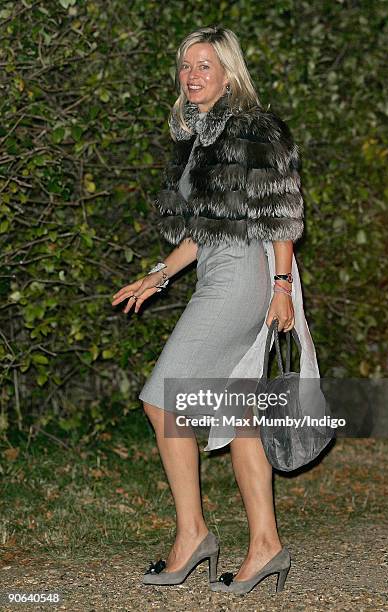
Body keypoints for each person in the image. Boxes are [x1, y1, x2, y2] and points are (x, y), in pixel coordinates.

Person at [112, 25, 305, 595]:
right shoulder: (198, 138)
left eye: (204, 66)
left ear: (228, 72)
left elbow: (283, 214)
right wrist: (159, 273)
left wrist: (280, 287)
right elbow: (202, 234)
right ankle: (266, 544)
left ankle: (193, 533)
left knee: (160, 400)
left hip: (246, 275)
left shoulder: (255, 128)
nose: (192, 76)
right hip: (218, 270)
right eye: (185, 67)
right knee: (238, 413)